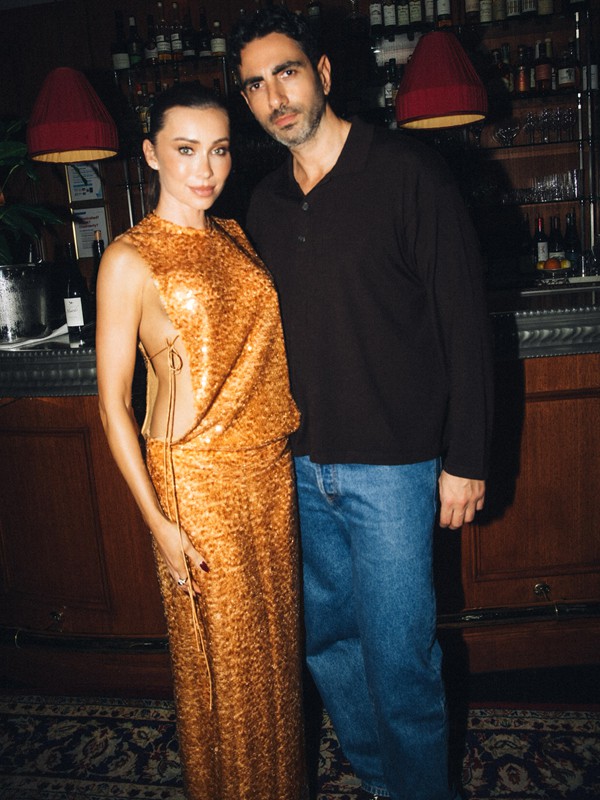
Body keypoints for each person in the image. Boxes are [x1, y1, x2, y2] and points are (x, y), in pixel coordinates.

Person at [229, 9, 494, 800]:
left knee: (400, 657)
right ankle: (384, 780)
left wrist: (468, 459)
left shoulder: (408, 173)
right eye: (255, 85)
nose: (274, 97)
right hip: (299, 467)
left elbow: (465, 322)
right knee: (329, 645)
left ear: (323, 73)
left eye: (286, 73)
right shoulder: (263, 204)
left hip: (393, 466)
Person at [95, 83, 305, 800]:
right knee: (225, 668)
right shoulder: (129, 258)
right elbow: (112, 405)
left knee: (275, 655)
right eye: (185, 150)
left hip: (267, 469)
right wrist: (158, 523)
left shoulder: (236, 236)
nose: (205, 168)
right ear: (151, 153)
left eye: (218, 150)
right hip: (196, 477)